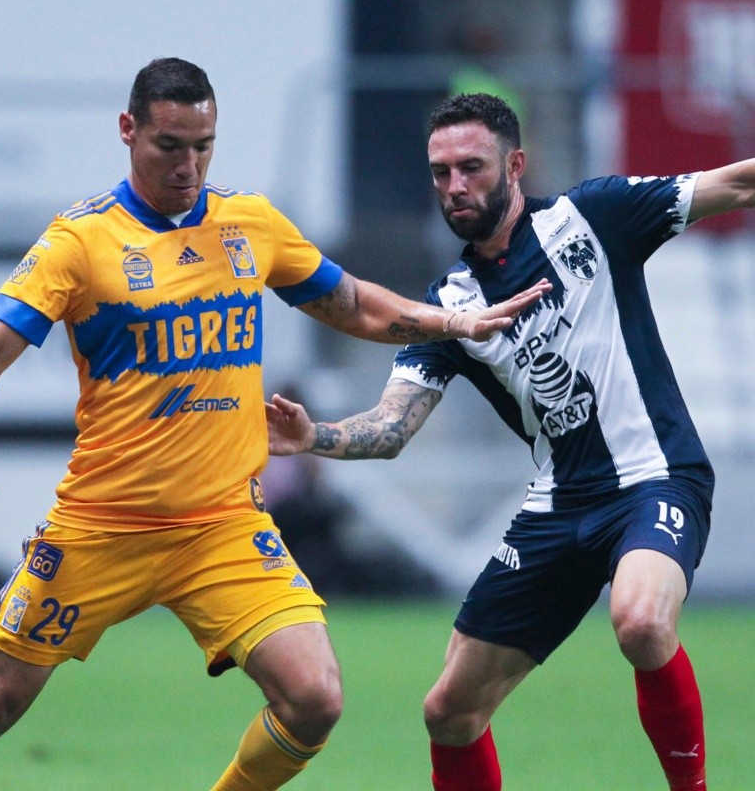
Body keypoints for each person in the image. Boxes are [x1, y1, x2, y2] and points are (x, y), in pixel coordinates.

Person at [0, 63, 549, 791]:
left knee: (315, 699)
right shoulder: (81, 241)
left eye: (204, 145)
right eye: (170, 144)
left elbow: (353, 302)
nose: (189, 164)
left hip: (223, 525)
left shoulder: (248, 222)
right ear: (128, 130)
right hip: (104, 525)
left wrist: (454, 321)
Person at [266, 92, 755, 791]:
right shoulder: (451, 305)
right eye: (440, 173)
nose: (455, 186)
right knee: (449, 713)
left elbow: (737, 182)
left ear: (516, 164)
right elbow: (393, 427)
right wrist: (315, 435)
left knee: (641, 622)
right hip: (559, 507)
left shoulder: (597, 215)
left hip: (656, 477)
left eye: (472, 167)